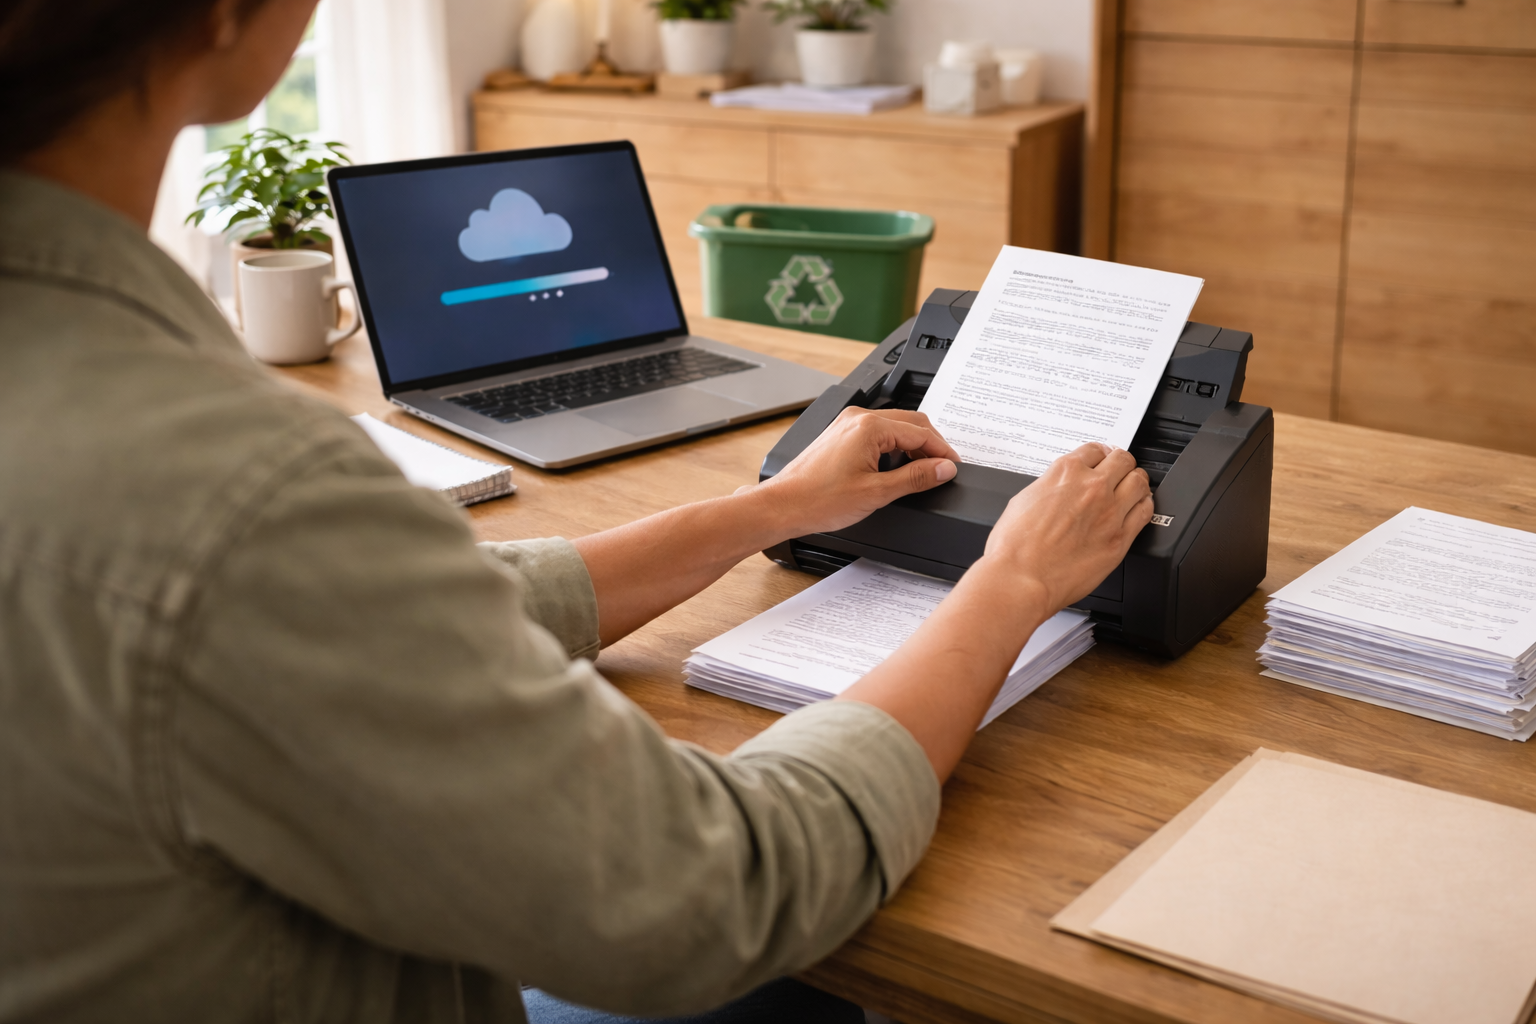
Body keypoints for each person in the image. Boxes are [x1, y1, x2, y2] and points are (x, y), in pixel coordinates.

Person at [0, 0, 1154, 1020]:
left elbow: (406, 616)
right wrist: (1011, 585)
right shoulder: (244, 499)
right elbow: (721, 889)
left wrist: (773, 508)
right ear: (216, 15)